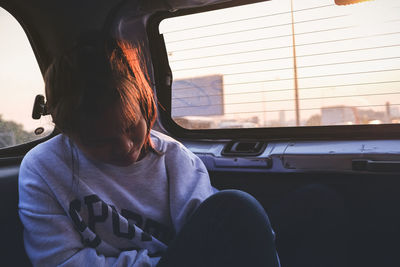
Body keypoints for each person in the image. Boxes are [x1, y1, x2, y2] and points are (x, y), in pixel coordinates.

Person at [18, 35, 280, 267]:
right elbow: (61, 261)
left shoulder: (174, 158)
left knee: (307, 201)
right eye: (99, 141)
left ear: (144, 106)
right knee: (235, 208)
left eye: (132, 127)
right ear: (68, 131)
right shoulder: (44, 168)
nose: (126, 147)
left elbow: (207, 237)